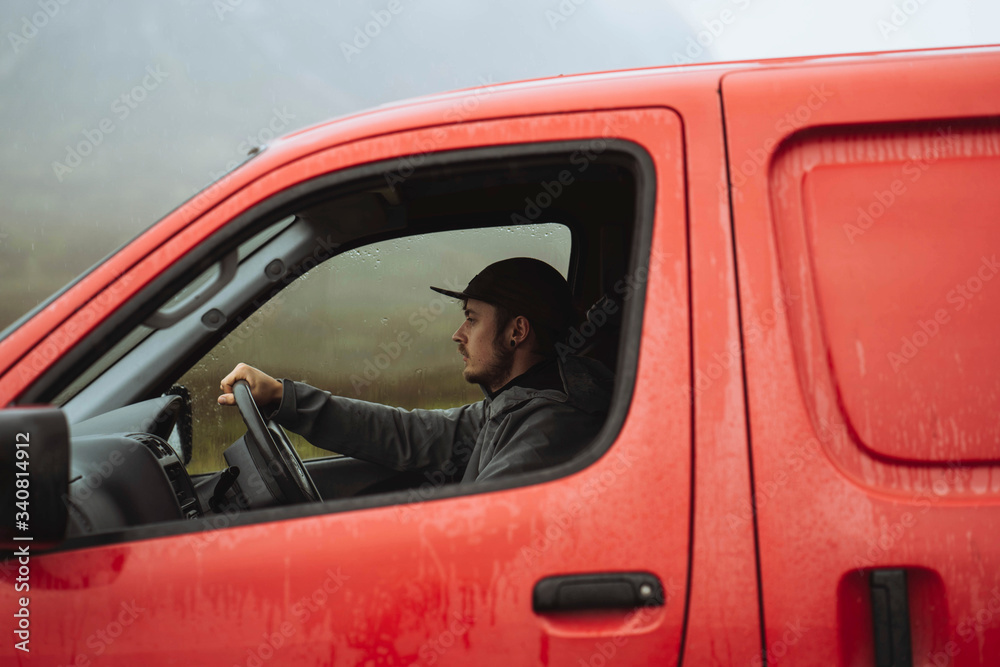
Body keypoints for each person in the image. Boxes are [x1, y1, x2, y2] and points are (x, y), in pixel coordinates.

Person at [218, 257, 613, 483]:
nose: (458, 335)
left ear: (517, 332)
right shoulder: (518, 404)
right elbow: (410, 434)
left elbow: (478, 530)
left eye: (472, 320)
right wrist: (284, 398)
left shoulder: (553, 427)